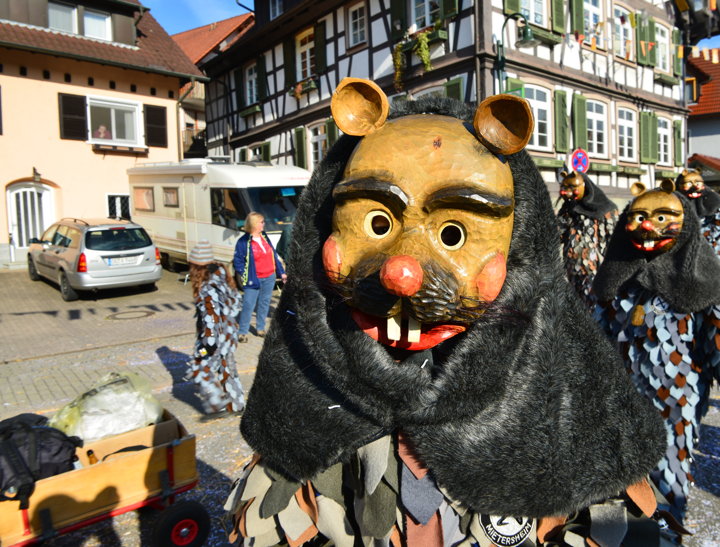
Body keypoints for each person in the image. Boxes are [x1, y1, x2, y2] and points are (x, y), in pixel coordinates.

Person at [225, 78, 673, 546]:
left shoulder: (563, 387)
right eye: (377, 224)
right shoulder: (306, 388)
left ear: (522, 244)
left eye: (454, 234)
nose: (402, 273)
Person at [593, 180, 720, 522]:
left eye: (661, 218)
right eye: (639, 216)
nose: (646, 226)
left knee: (666, 468)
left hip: (675, 399)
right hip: (618, 397)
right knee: (615, 473)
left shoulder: (705, 278)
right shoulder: (616, 275)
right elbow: (594, 335)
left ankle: (667, 527)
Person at [187, 240, 244, 418]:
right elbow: (237, 303)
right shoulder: (222, 277)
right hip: (228, 334)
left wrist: (208, 345)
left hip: (213, 338)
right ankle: (237, 404)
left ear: (197, 267)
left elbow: (210, 319)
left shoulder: (207, 289)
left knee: (199, 366)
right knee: (226, 367)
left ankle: (217, 404)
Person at [555, 168, 618, 308]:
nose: (566, 192)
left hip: (595, 274)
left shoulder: (606, 210)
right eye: (564, 187)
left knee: (593, 307)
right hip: (572, 272)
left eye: (571, 187)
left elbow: (614, 244)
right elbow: (557, 233)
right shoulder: (568, 210)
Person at [233, 212, 286, 342]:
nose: (264, 224)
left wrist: (281, 273)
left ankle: (260, 328)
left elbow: (273, 255)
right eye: (261, 222)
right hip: (253, 278)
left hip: (269, 276)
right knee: (248, 305)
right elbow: (238, 261)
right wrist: (245, 274)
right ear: (254, 224)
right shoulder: (243, 241)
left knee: (264, 303)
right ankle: (242, 332)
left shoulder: (264, 236)